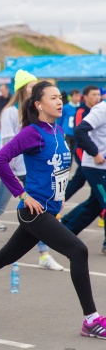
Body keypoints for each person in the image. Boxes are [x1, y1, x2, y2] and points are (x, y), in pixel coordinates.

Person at [0, 81, 106, 339]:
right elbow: (0, 159)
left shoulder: (55, 131)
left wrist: (59, 195)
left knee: (5, 256)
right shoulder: (32, 132)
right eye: (53, 97)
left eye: (60, 97)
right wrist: (21, 194)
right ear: (38, 104)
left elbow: (57, 169)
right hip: (34, 211)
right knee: (79, 250)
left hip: (48, 208)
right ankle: (91, 320)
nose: (59, 101)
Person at [0, 70, 62, 269]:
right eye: (31, 86)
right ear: (21, 89)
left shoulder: (38, 112)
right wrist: (10, 170)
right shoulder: (11, 112)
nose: (35, 89)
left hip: (30, 171)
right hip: (13, 169)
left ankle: (44, 254)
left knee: (39, 211)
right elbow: (7, 143)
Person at [61, 98, 106, 251]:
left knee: (94, 205)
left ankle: (65, 231)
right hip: (96, 167)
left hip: (102, 168)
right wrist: (94, 153)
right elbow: (80, 130)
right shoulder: (101, 109)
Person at [64, 86, 101, 201]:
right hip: (83, 153)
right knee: (87, 182)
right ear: (85, 97)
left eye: (98, 95)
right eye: (93, 95)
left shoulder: (99, 111)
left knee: (80, 182)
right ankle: (56, 205)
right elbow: (80, 134)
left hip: (95, 154)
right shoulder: (81, 112)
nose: (97, 98)